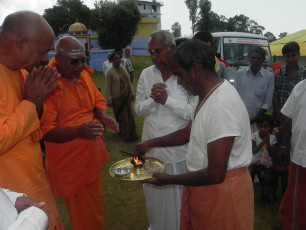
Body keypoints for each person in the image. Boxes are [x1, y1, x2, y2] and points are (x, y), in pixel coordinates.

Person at [134, 39, 253, 230]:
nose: (179, 82)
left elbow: (215, 173)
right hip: (206, 188)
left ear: (196, 69)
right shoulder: (204, 95)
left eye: (180, 75)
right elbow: (189, 132)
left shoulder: (221, 104)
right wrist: (150, 143)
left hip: (222, 194)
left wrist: (169, 180)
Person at [40, 36, 119, 230]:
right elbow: (46, 131)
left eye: (83, 59)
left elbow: (97, 100)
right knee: (83, 219)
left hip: (91, 160)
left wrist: (104, 116)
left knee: (95, 211)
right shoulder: (47, 85)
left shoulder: (82, 75)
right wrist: (78, 131)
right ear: (57, 58)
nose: (80, 65)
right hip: (70, 168)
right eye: (74, 61)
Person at [0, 11, 64, 230]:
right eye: (43, 51)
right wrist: (31, 100)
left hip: (35, 181)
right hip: (13, 198)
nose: (46, 58)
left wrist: (38, 100)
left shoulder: (23, 74)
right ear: (20, 43)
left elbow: (34, 126)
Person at [134, 30, 196, 230]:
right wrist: (153, 100)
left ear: (172, 48)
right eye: (151, 52)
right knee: (154, 202)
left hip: (176, 154)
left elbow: (192, 113)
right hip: (150, 151)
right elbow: (138, 109)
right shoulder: (147, 74)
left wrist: (167, 100)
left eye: (158, 51)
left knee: (178, 205)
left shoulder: (186, 74)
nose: (154, 57)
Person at [278, 79, 306, 229]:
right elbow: (288, 119)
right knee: (298, 198)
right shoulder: (300, 88)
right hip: (300, 156)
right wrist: (283, 145)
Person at [234, 46, 274, 131]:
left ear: (263, 60)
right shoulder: (239, 74)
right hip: (239, 119)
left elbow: (267, 103)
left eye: (259, 58)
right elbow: (234, 97)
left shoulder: (269, 77)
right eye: (253, 58)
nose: (256, 60)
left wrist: (254, 119)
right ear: (249, 58)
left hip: (258, 123)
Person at [106, 51, 138, 142]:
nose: (117, 60)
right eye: (115, 59)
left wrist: (132, 93)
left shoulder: (123, 69)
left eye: (119, 58)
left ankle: (131, 133)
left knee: (128, 116)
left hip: (126, 97)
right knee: (121, 117)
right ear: (112, 60)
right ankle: (124, 134)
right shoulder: (109, 72)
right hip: (117, 99)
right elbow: (107, 86)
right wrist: (109, 99)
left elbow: (128, 82)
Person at [273, 41, 306, 123]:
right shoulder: (277, 74)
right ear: (284, 57)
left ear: (298, 55)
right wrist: (279, 114)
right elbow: (274, 96)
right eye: (288, 56)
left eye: (293, 55)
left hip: (300, 118)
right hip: (280, 119)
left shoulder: (304, 74)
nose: (291, 59)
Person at [249, 114, 276, 209]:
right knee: (249, 182)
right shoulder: (254, 136)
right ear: (257, 126)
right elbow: (254, 150)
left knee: (265, 184)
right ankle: (247, 199)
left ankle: (266, 201)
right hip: (253, 163)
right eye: (260, 126)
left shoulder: (272, 138)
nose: (263, 129)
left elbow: (272, 153)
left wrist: (268, 142)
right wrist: (263, 141)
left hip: (266, 165)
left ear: (270, 127)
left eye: (266, 127)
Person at [271, 115, 289, 200]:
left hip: (287, 157)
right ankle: (272, 194)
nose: (284, 122)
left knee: (285, 180)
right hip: (276, 156)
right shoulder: (276, 130)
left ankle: (284, 197)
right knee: (274, 178)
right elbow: (275, 142)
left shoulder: (292, 130)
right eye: (282, 119)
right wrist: (281, 130)